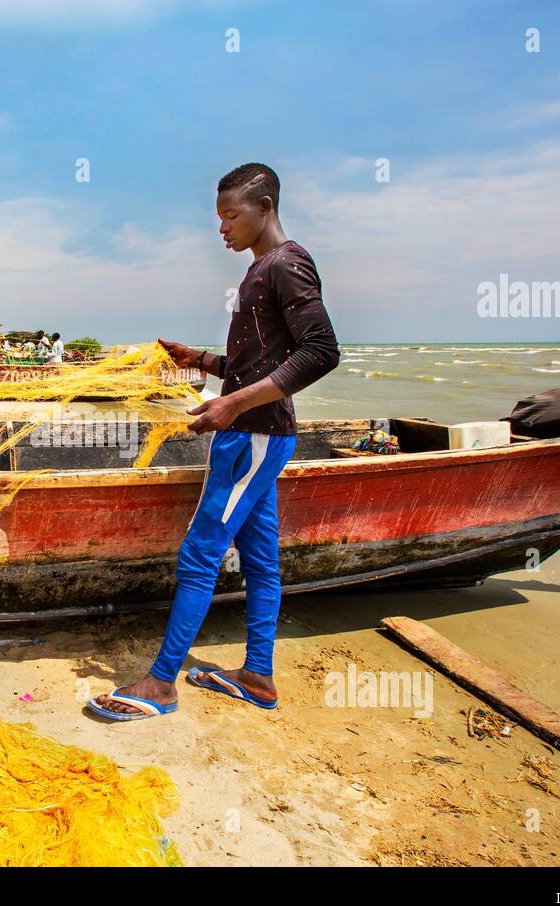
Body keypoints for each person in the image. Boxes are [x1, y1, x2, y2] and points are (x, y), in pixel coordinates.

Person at [89, 162, 340, 721]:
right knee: (260, 557)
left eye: (232, 215)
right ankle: (258, 675)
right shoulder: (262, 270)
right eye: (218, 217)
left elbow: (322, 351)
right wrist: (200, 361)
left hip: (253, 436)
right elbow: (258, 363)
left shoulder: (287, 264)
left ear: (265, 207)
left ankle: (161, 683)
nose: (222, 227)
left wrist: (231, 405)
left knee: (201, 553)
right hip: (260, 433)